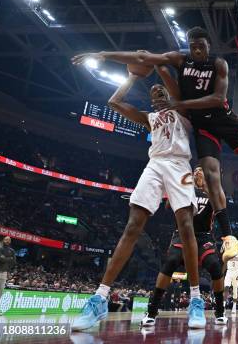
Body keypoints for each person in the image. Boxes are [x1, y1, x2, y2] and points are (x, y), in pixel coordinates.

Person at [71, 33, 238, 260]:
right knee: (212, 177)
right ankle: (229, 238)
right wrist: (102, 54)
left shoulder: (218, 64)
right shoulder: (178, 60)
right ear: (190, 48)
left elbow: (217, 98)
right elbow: (140, 56)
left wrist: (180, 105)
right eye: (193, 46)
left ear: (208, 46)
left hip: (222, 118)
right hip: (203, 128)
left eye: (201, 46)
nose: (198, 50)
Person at [71, 73, 205, 330]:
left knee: (187, 227)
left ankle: (196, 300)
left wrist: (158, 67)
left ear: (168, 94)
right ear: (151, 100)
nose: (157, 93)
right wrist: (132, 77)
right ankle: (99, 298)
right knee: (133, 226)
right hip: (155, 165)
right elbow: (113, 102)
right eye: (153, 92)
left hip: (180, 165)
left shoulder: (183, 112)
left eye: (161, 90)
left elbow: (178, 92)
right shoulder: (149, 118)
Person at [142, 167, 227, 327]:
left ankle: (220, 312)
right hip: (181, 234)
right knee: (170, 262)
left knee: (215, 266)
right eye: (195, 170)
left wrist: (206, 186)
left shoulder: (212, 193)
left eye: (201, 170)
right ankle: (152, 311)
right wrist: (184, 184)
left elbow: (221, 207)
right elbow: (168, 205)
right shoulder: (185, 189)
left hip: (203, 236)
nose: (197, 172)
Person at [0, 236, 16, 315]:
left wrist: (7, 259)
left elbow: (14, 261)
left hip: (4, 273)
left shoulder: (12, 250)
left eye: (9, 240)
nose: (7, 241)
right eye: (6, 239)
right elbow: (1, 259)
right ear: (3, 240)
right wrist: (9, 259)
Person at [224, 251, 238, 315]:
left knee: (235, 289)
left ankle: (234, 306)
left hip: (236, 272)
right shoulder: (227, 251)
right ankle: (223, 306)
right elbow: (224, 262)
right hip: (229, 271)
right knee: (226, 287)